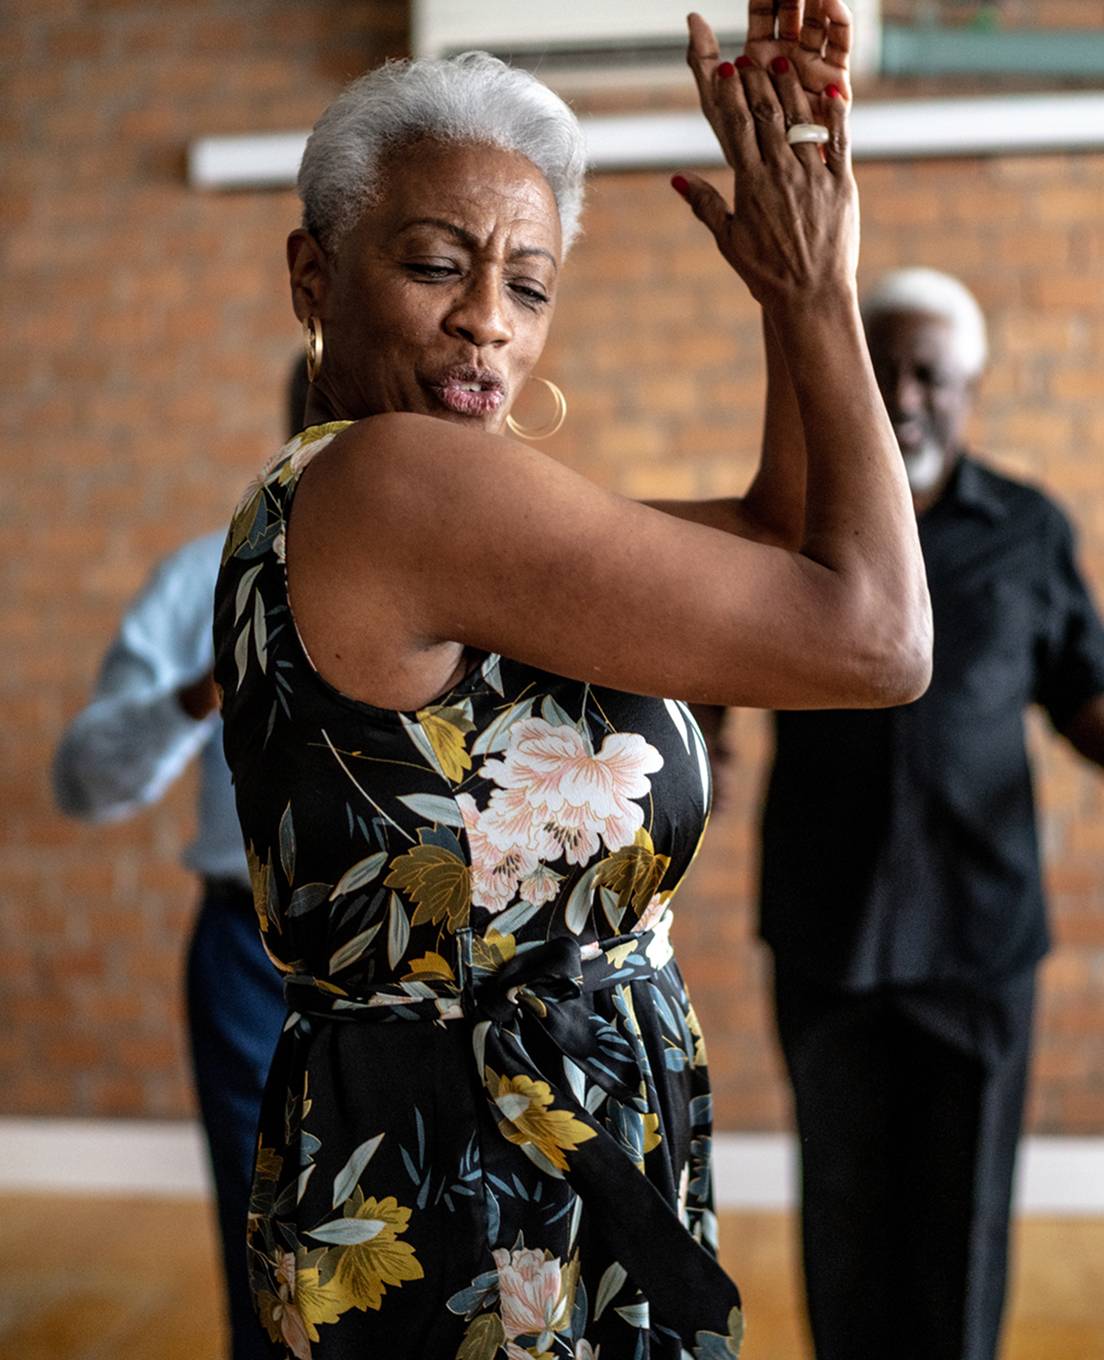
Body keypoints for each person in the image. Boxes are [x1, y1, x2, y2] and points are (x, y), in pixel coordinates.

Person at [213, 6, 932, 1356]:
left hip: (472, 1143)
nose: (488, 321)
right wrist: (828, 294)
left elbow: (788, 538)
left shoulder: (370, 508)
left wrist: (792, 289)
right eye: (437, 264)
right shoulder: (398, 483)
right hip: (494, 1187)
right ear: (315, 276)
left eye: (530, 285)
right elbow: (878, 638)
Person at [759, 266, 1104, 1360]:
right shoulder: (795, 522)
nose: (904, 394)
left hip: (979, 940)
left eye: (930, 373)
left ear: (971, 387)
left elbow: (1081, 693)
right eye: (886, 368)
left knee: (963, 1231)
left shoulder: (1031, 530)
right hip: (829, 930)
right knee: (847, 1227)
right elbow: (706, 660)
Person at [52, 358, 310, 1360]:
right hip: (257, 954)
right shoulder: (210, 572)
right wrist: (202, 692)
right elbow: (81, 778)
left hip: (445, 962)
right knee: (270, 1263)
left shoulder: (496, 569)